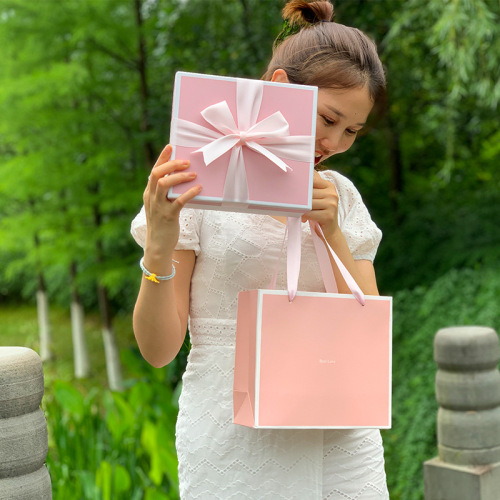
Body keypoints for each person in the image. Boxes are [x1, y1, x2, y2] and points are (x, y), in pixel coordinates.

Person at [131, 1, 388, 498]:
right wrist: (160, 245)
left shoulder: (342, 198)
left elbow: (370, 324)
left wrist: (331, 231)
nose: (334, 141)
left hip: (341, 440)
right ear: (279, 87)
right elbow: (158, 351)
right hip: (233, 440)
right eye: (328, 118)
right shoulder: (202, 188)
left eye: (351, 130)